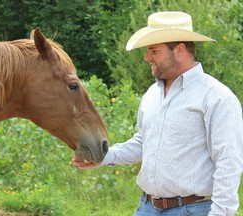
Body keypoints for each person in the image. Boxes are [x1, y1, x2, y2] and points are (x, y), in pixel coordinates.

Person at [72, 11, 243, 216]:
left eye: (154, 51)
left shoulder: (217, 98)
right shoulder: (152, 94)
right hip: (147, 208)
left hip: (194, 211)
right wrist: (103, 157)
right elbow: (143, 143)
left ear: (179, 50)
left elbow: (229, 163)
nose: (147, 57)